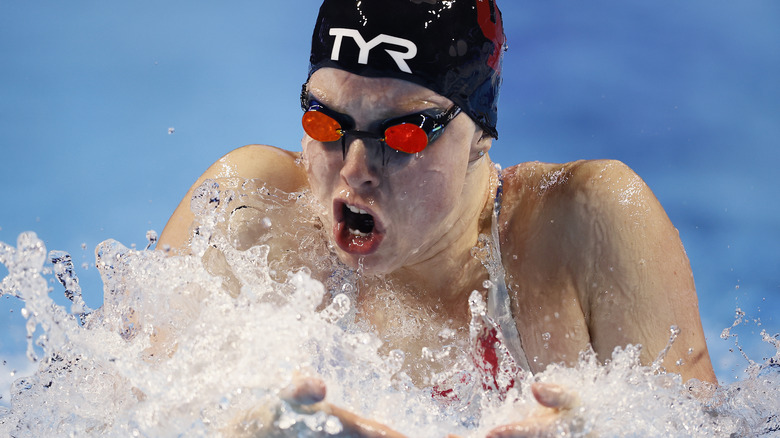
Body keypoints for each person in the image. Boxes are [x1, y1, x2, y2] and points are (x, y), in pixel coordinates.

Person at [158, 0, 716, 435]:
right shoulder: (247, 215)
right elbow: (102, 405)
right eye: (326, 124)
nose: (355, 170)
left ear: (480, 136)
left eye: (403, 136)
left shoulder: (586, 225)